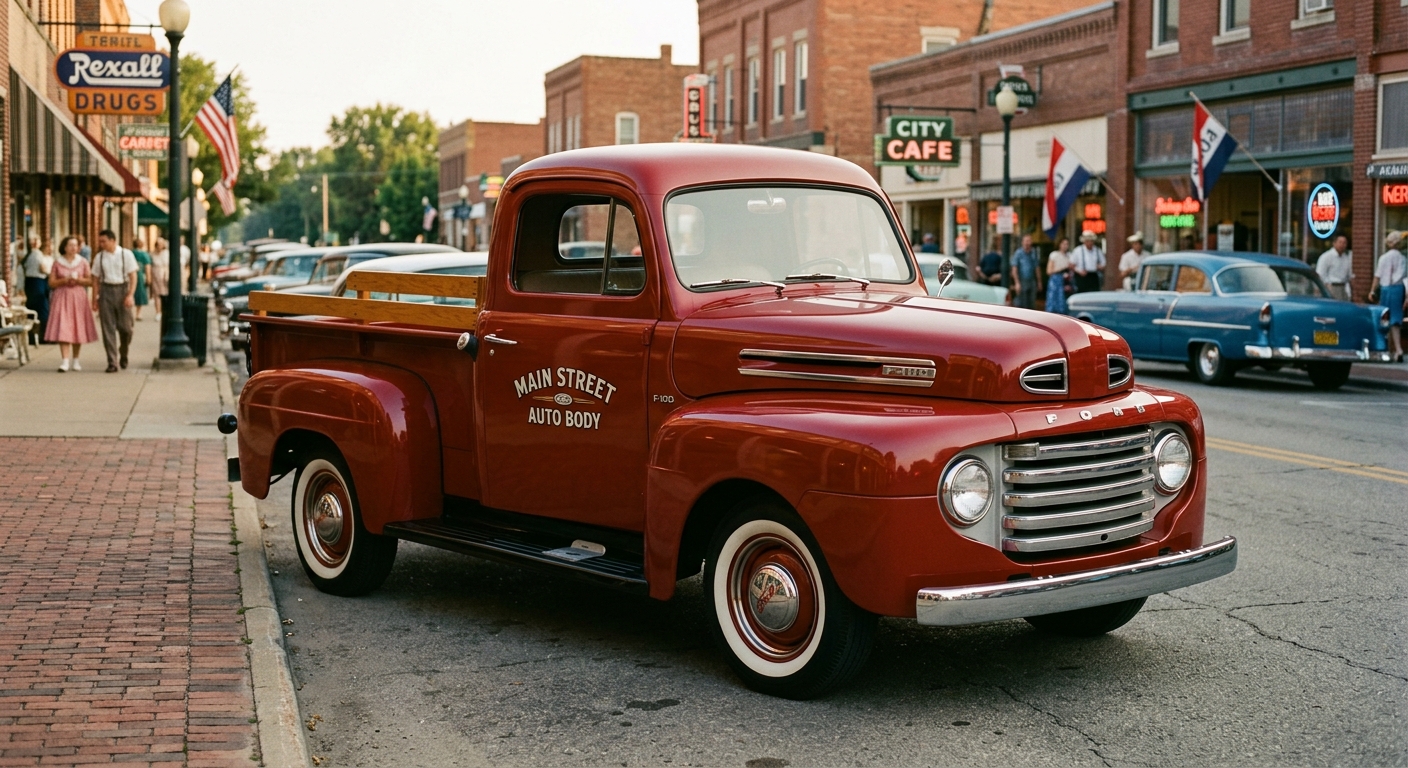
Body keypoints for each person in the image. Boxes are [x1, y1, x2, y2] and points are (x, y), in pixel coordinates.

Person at [44, 236, 98, 372]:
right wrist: (64, 280)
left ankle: (76, 360)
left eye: (76, 245)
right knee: (64, 326)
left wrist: (78, 280)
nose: (74, 248)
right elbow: (51, 283)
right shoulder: (58, 262)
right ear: (65, 247)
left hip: (78, 296)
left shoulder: (83, 262)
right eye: (71, 245)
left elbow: (90, 281)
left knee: (77, 326)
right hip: (62, 295)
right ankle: (65, 360)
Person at [90, 229, 137, 373]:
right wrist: (95, 298)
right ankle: (112, 361)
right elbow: (96, 279)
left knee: (126, 328)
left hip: (122, 289)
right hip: (106, 291)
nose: (101, 244)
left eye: (104, 241)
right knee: (107, 328)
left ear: (112, 240)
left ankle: (124, 351)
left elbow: (133, 276)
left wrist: (130, 295)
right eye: (100, 241)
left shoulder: (126, 254)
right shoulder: (100, 257)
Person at [1370, 231, 1406, 362]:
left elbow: (1378, 276)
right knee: (1396, 319)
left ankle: (1388, 348)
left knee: (1384, 318)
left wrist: (1372, 291)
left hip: (1387, 289)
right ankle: (1396, 349)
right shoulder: (1403, 258)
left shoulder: (1384, 258)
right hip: (1399, 289)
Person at [22, 236, 52, 337]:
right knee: (42, 307)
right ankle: (43, 334)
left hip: (30, 283)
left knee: (32, 307)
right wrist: (51, 274)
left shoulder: (28, 255)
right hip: (38, 282)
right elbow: (42, 268)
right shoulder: (38, 254)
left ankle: (32, 334)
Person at [1315, 235, 1354, 301]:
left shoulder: (1346, 258)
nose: (1342, 245)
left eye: (1344, 243)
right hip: (1331, 287)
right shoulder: (1326, 257)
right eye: (1340, 242)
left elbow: (1349, 275)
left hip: (1343, 288)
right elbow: (1320, 275)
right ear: (1334, 243)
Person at [1010, 233, 1040, 309]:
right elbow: (1014, 268)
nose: (1027, 243)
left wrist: (1039, 282)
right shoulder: (1018, 253)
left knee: (1032, 303)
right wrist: (1017, 283)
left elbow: (1037, 267)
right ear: (1022, 242)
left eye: (1029, 241)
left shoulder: (1033, 253)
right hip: (1022, 281)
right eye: (1026, 241)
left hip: (1032, 281)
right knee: (1022, 304)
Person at [1046, 237, 1072, 314]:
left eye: (1067, 244)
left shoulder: (1070, 255)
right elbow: (1049, 271)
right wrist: (1062, 268)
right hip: (1055, 280)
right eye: (1063, 244)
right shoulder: (1054, 255)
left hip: (1066, 280)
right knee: (1053, 302)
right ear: (1059, 244)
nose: (1065, 246)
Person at [132, 238, 152, 321]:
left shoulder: (131, 253)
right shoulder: (144, 255)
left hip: (131, 274)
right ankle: (138, 313)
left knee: (131, 292)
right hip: (140, 275)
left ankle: (131, 312)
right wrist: (148, 278)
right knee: (140, 294)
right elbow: (147, 267)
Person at [150, 237, 169, 319]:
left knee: (164, 293)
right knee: (157, 294)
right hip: (155, 274)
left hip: (164, 274)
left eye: (161, 244)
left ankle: (164, 311)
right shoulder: (152, 254)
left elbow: (167, 265)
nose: (159, 246)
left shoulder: (166, 253)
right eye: (158, 244)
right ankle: (158, 312)